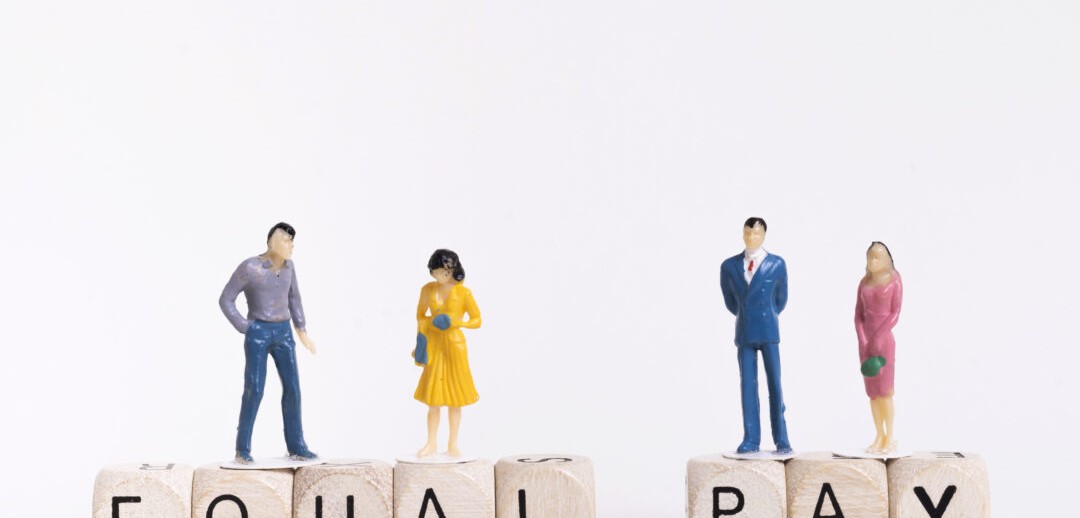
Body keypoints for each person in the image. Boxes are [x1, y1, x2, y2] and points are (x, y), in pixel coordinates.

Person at [219, 222, 318, 464]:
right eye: (286, 241)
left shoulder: (289, 268)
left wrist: (302, 330)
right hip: (259, 332)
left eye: (292, 242)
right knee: (254, 388)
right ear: (273, 242)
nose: (291, 246)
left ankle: (297, 445)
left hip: (284, 332)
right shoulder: (251, 267)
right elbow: (226, 299)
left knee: (293, 387)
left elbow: (294, 298)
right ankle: (242, 448)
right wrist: (245, 326)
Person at [720, 217, 792, 454]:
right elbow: (731, 302)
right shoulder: (729, 266)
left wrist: (766, 313)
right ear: (743, 234)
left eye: (757, 234)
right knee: (748, 387)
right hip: (745, 329)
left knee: (775, 385)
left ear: (764, 235)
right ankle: (751, 438)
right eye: (748, 233)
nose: (752, 238)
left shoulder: (777, 264)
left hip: (769, 329)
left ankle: (781, 438)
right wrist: (747, 313)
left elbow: (781, 300)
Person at [413, 249, 482, 458]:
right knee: (434, 399)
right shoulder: (427, 290)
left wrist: (458, 322)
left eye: (442, 272)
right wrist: (423, 336)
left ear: (451, 270)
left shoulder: (464, 293)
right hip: (434, 345)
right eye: (434, 272)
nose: (437, 276)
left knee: (455, 399)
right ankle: (431, 443)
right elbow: (420, 315)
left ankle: (453, 444)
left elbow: (477, 319)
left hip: (455, 345)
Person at [855, 241, 903, 453]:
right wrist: (863, 338)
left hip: (884, 343)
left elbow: (895, 313)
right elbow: (858, 316)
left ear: (887, 260)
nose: (872, 261)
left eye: (877, 257)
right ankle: (879, 435)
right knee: (872, 392)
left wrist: (880, 335)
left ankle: (890, 436)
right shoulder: (863, 283)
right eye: (870, 257)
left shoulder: (894, 281)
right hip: (865, 344)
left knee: (885, 391)